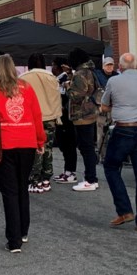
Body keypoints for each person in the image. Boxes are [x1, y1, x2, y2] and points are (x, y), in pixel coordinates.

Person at [0, 54, 45, 253]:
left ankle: (13, 239)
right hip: (27, 141)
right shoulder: (27, 87)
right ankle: (23, 231)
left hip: (3, 144)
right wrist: (40, 140)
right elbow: (36, 115)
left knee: (10, 192)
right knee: (22, 187)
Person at [101, 53, 137, 231]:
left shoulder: (114, 81)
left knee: (111, 166)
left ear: (121, 67)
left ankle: (124, 209)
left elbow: (104, 105)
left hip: (124, 128)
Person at [20, 52, 63, 194]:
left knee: (35, 148)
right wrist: (57, 116)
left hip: (32, 118)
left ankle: (35, 179)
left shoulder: (23, 78)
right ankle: (46, 178)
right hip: (50, 117)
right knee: (48, 147)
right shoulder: (52, 78)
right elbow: (57, 98)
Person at [66, 48, 101, 192]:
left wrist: (68, 87)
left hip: (82, 114)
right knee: (88, 147)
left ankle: (90, 179)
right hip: (91, 112)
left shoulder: (80, 74)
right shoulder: (91, 71)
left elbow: (77, 95)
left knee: (86, 147)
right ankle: (91, 178)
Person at [51, 56, 78, 185]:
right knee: (63, 144)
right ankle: (67, 171)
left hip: (68, 117)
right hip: (61, 116)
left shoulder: (66, 78)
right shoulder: (59, 79)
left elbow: (69, 96)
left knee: (68, 145)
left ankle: (70, 172)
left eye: (53, 65)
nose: (52, 68)